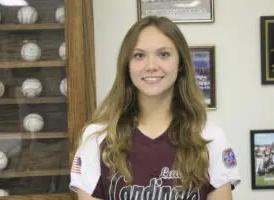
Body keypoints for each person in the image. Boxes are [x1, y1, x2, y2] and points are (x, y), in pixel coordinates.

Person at [69, 16, 241, 200]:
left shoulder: (210, 138)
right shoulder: (95, 138)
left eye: (164, 54)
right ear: (127, 65)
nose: (151, 66)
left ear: (181, 64)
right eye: (139, 55)